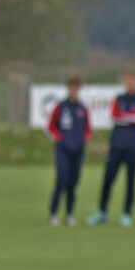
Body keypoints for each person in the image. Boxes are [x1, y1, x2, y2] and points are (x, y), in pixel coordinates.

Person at [87, 72, 135, 227]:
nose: (130, 84)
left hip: (133, 147)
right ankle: (102, 211)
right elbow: (112, 115)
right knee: (108, 178)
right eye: (128, 81)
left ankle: (126, 214)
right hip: (116, 146)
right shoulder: (118, 98)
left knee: (130, 181)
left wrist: (124, 117)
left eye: (133, 81)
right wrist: (129, 117)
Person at [45, 74, 91, 226]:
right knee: (62, 180)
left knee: (73, 182)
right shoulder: (60, 106)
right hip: (63, 150)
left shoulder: (82, 108)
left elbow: (87, 129)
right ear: (68, 87)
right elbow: (51, 127)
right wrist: (61, 139)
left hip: (77, 150)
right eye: (71, 86)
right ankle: (53, 213)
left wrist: (83, 140)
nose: (74, 89)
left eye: (76, 86)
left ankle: (69, 214)